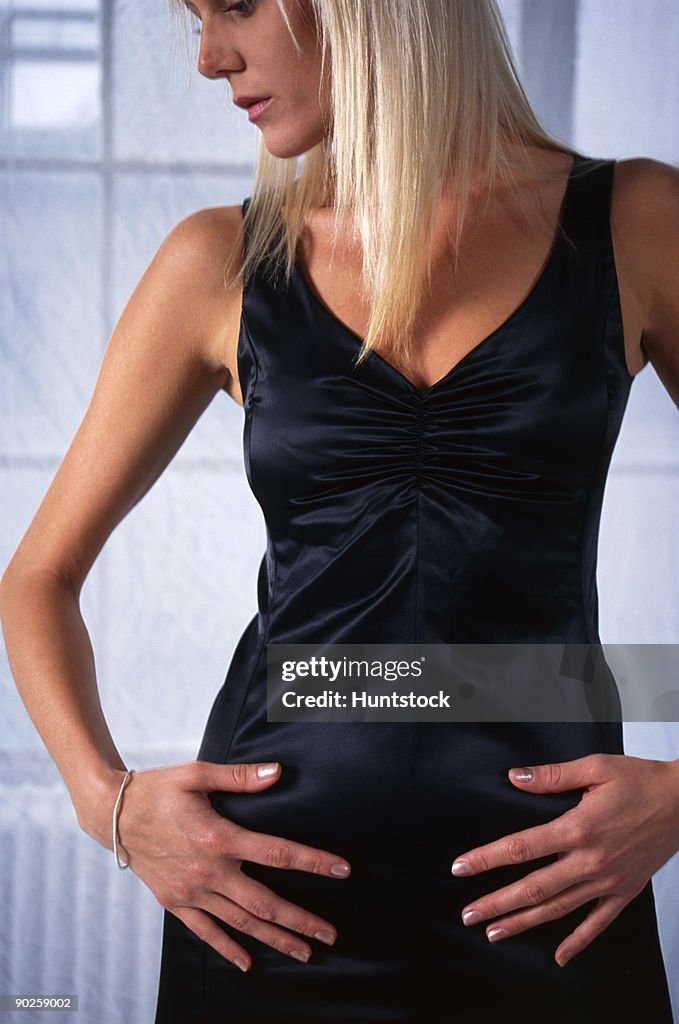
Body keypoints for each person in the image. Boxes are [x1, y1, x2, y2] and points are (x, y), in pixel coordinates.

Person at [1, 0, 678, 1021]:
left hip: (557, 901)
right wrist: (112, 805)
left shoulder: (635, 220)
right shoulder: (217, 262)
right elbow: (37, 578)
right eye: (192, 18)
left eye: (234, 5)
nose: (206, 58)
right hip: (267, 908)